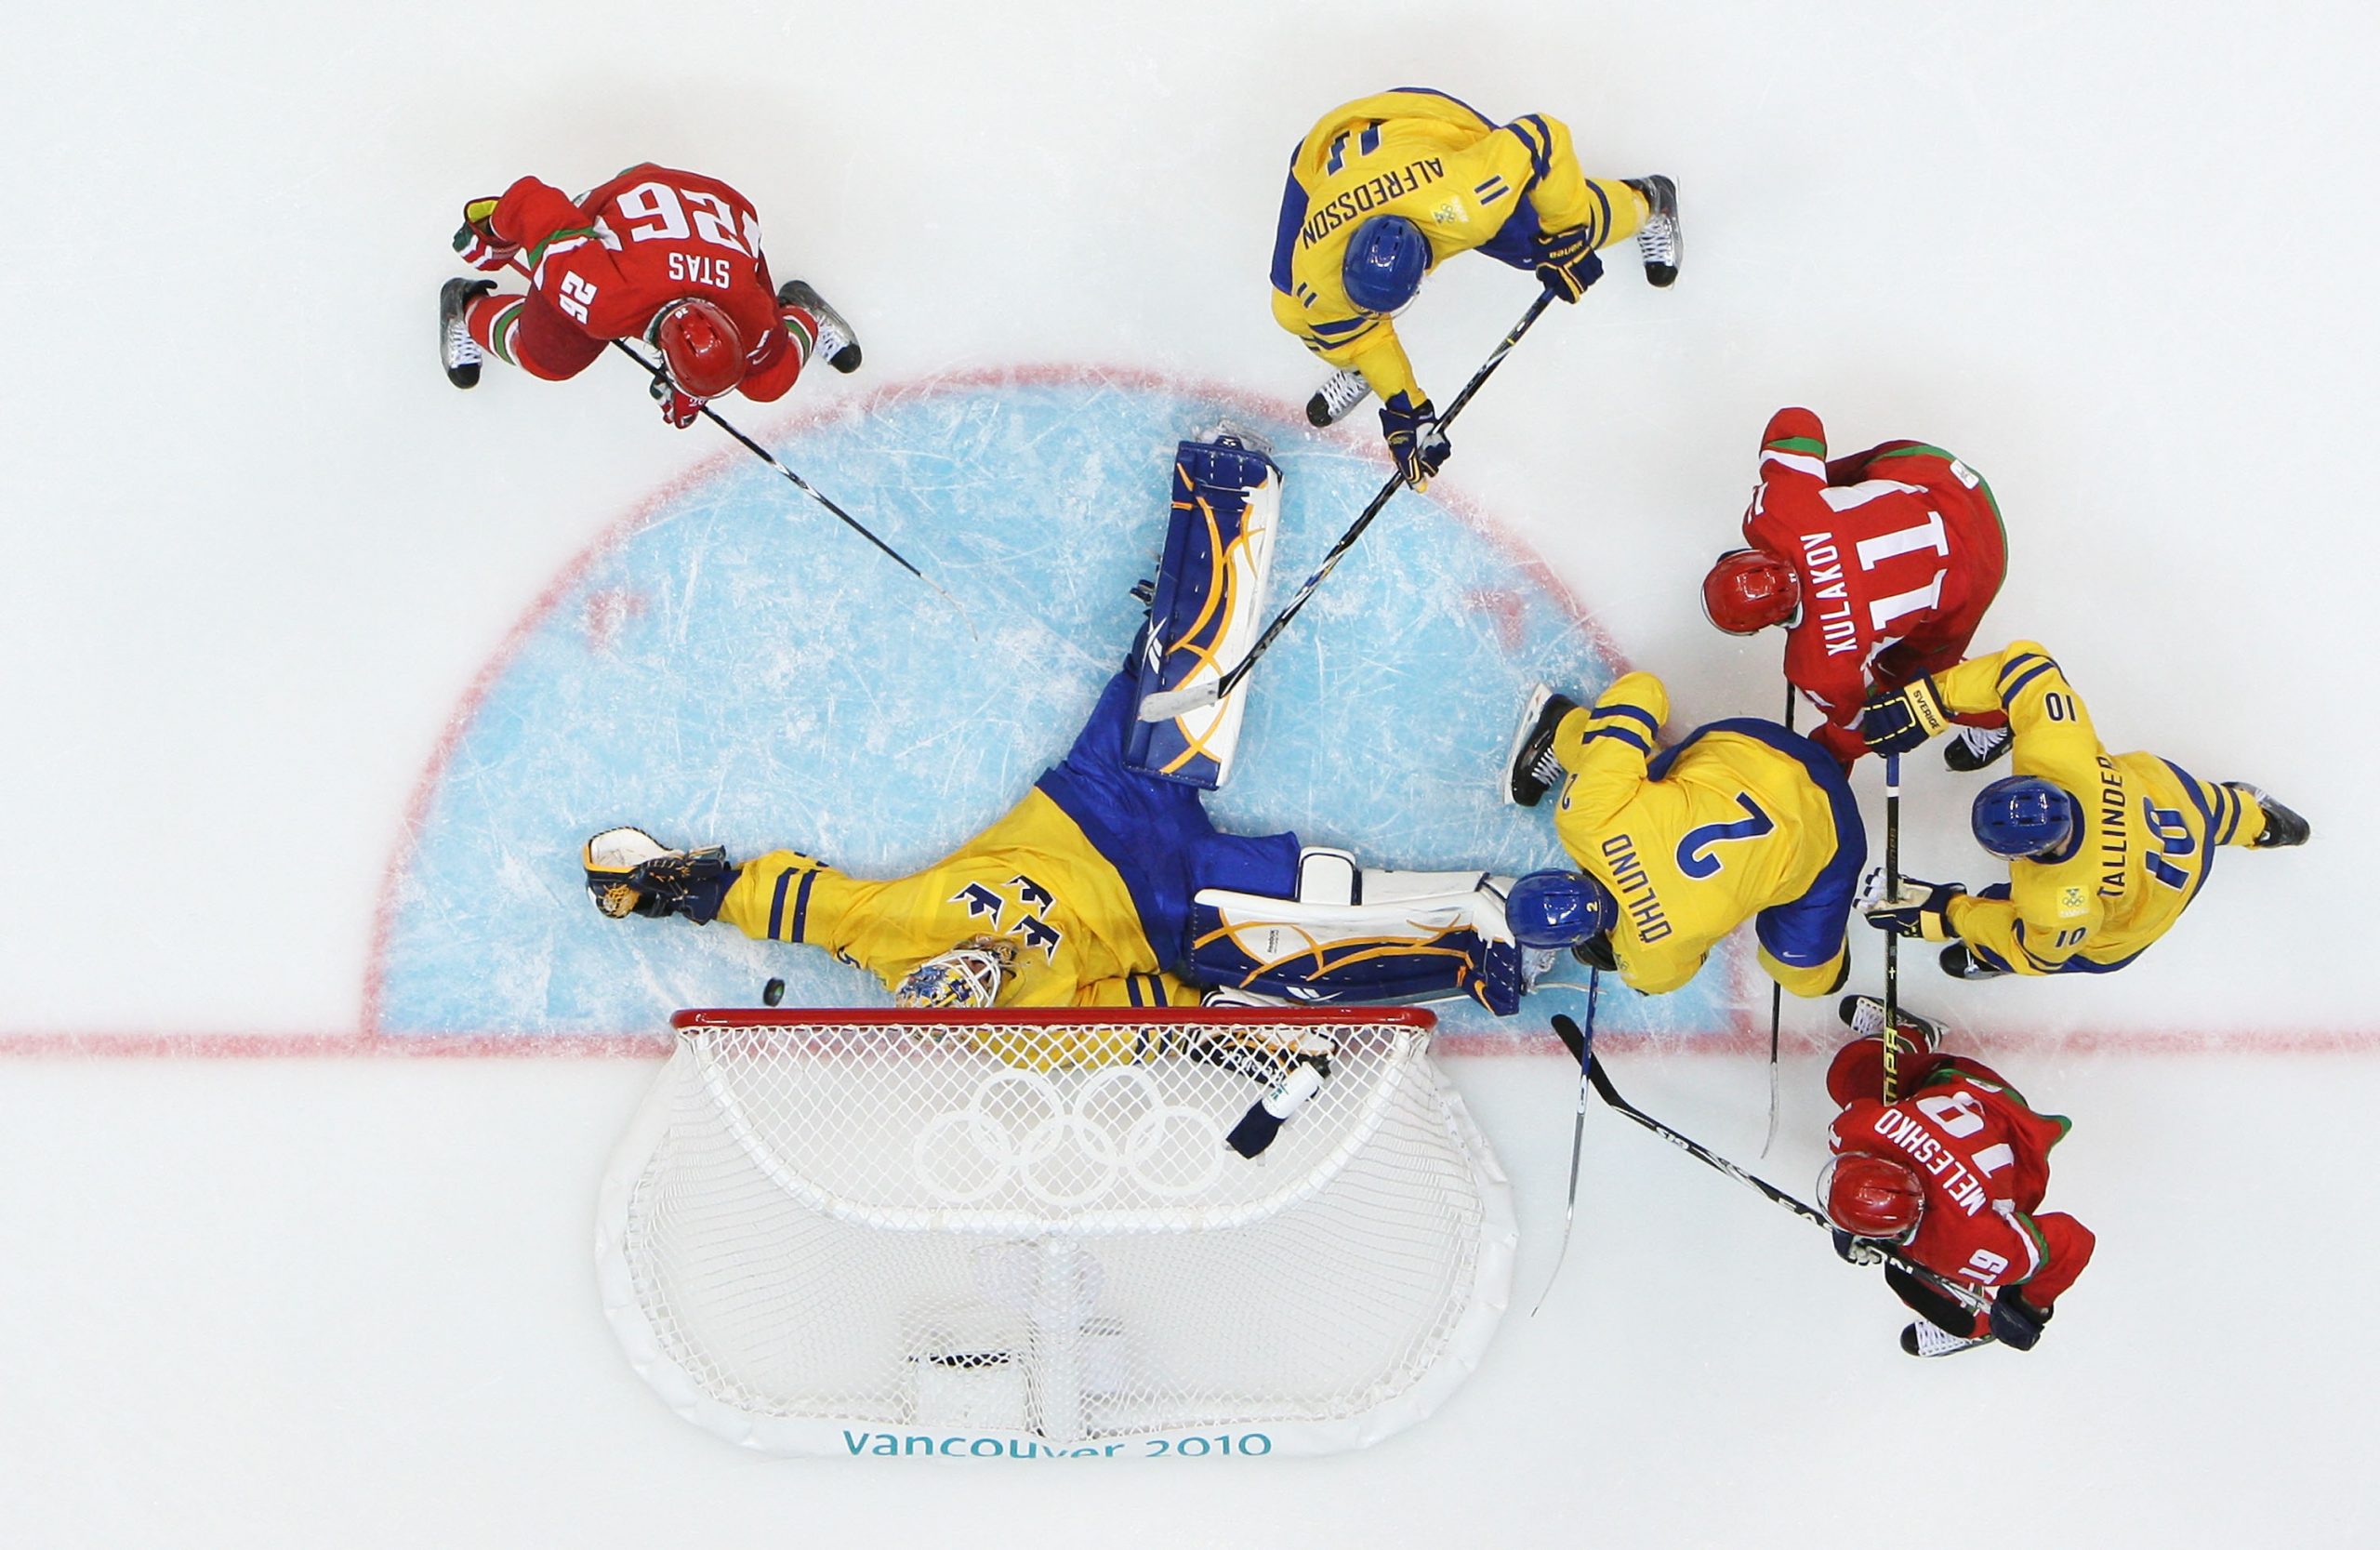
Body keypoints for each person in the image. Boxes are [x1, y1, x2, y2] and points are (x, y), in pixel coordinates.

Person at [1268, 87, 1681, 486]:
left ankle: (1649, 201)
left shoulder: (1470, 202)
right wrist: (1404, 406)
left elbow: (1543, 137)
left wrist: (1565, 233)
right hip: (1326, 148)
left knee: (1537, 241)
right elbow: (1358, 334)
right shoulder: (1315, 269)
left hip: (1427, 123)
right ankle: (1363, 369)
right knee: (1291, 311)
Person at [1857, 640, 2309, 978]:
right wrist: (1926, 704)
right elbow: (2027, 668)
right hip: (2174, 805)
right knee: (2210, 806)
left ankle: (1986, 954)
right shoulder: (2058, 753)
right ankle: (2262, 822)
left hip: (2144, 908)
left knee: (2027, 927)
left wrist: (1953, 913)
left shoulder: (2056, 901)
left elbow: (2034, 955)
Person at [1496, 670, 1865, 999]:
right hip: (1758, 745)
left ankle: (1826, 939)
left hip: (1835, 834)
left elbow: (1685, 960)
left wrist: (1618, 945)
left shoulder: (1650, 964)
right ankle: (1564, 727)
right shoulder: (1585, 820)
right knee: (1604, 765)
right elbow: (1643, 689)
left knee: (1808, 979)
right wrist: (1608, 741)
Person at [1700, 407, 2011, 771]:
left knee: (1913, 691)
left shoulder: (1817, 666)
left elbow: (1868, 725)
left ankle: (2000, 716)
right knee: (1815, 487)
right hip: (1946, 483)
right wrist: (1797, 493)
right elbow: (1797, 422)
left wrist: (1826, 757)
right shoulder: (1773, 512)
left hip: (1980, 568)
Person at [437, 163, 860, 427]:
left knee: (769, 379)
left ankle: (803, 310)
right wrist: (492, 229)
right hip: (629, 197)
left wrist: (693, 387)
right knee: (547, 357)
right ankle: (465, 309)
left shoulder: (752, 319)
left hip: (719, 210)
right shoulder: (605, 299)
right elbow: (535, 203)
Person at [1820, 995, 2095, 1358]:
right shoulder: (1862, 1129)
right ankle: (1910, 1034)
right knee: (1849, 1074)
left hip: (2023, 1158)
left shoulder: (1962, 1242)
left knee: (1905, 1276)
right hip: (1971, 1087)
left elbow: (2073, 1242)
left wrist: (2032, 1304)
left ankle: (1976, 1329)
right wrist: (2029, 1304)